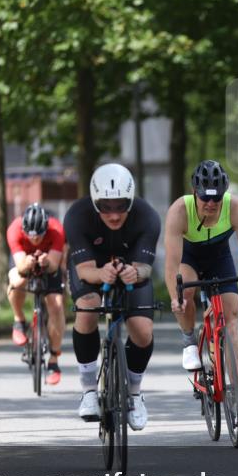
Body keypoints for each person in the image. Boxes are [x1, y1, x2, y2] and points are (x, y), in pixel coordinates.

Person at [163, 160, 238, 422]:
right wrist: (175, 297)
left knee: (231, 321)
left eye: (216, 199)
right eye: (205, 198)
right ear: (194, 192)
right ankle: (188, 339)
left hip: (220, 259)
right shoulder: (179, 210)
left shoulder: (236, 207)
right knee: (185, 292)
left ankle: (237, 396)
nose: (210, 204)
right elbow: (171, 263)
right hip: (189, 258)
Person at [63, 163, 160, 431]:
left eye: (121, 206)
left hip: (131, 268)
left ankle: (135, 393)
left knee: (142, 331)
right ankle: (89, 390)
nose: (115, 215)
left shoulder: (147, 216)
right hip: (92, 268)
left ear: (131, 201)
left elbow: (145, 268)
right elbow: (84, 271)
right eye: (106, 207)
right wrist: (101, 273)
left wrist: (133, 272)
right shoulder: (77, 216)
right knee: (88, 307)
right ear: (95, 203)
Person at [6, 203, 66, 386]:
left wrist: (46, 261)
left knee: (55, 304)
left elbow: (55, 264)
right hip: (25, 264)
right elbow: (20, 267)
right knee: (17, 283)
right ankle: (19, 320)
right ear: (24, 230)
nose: (36, 240)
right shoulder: (14, 230)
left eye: (40, 236)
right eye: (31, 236)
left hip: (49, 265)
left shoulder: (56, 229)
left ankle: (54, 359)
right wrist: (28, 262)